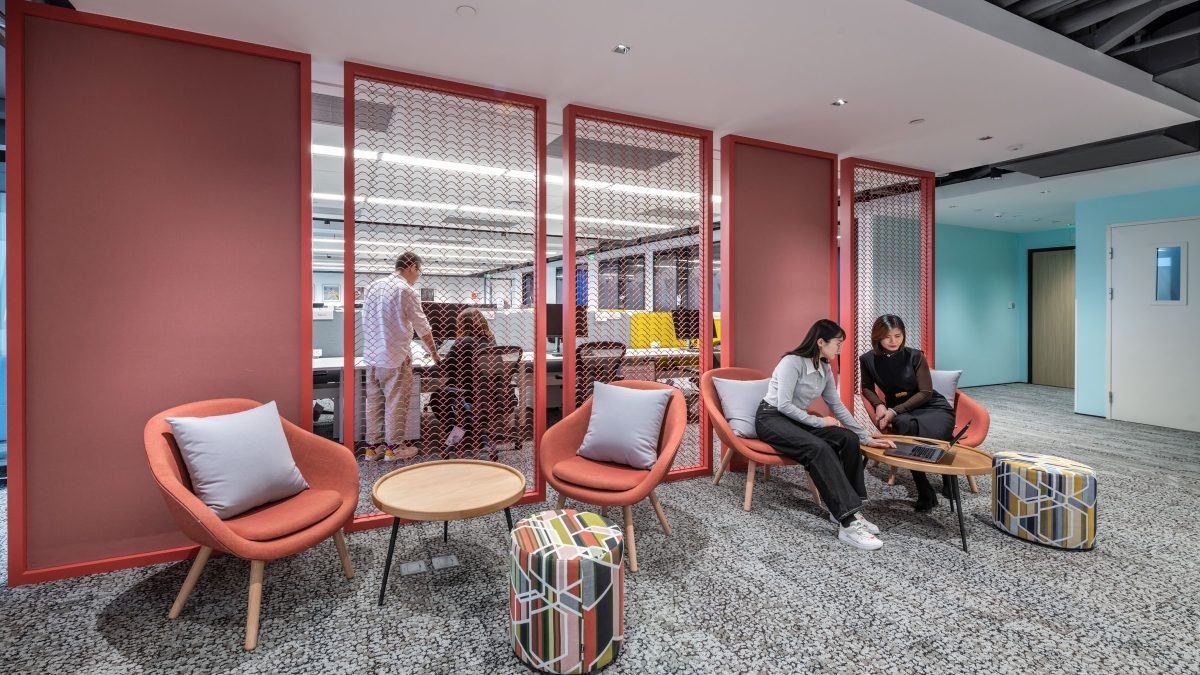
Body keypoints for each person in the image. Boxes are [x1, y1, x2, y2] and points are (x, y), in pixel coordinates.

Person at [755, 319, 896, 551]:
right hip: (771, 418)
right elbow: (784, 405)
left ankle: (850, 510)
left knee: (847, 439)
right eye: (838, 344)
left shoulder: (825, 368)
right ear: (821, 342)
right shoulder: (792, 362)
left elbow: (837, 405)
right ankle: (848, 525)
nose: (840, 349)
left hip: (797, 418)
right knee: (819, 448)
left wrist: (864, 437)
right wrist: (819, 422)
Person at [860, 314, 955, 512]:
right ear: (878, 337)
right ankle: (923, 488)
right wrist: (878, 404)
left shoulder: (915, 356)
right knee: (906, 428)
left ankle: (949, 477)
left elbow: (926, 392)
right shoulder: (868, 359)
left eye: (898, 335)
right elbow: (867, 388)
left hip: (930, 405)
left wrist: (894, 411)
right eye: (888, 337)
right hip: (900, 409)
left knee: (940, 427)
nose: (894, 341)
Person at [361, 252, 439, 462]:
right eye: (419, 272)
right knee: (396, 403)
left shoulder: (373, 286)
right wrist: (434, 353)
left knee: (374, 404)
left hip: (372, 356)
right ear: (412, 267)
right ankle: (394, 449)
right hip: (395, 356)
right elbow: (423, 327)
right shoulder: (406, 290)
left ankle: (372, 449)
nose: (418, 276)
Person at [430, 308, 497, 447]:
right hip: (492, 394)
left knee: (436, 397)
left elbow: (445, 367)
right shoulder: (491, 341)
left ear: (461, 325)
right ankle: (470, 426)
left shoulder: (462, 342)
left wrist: (437, 358)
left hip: (469, 393)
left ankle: (456, 429)